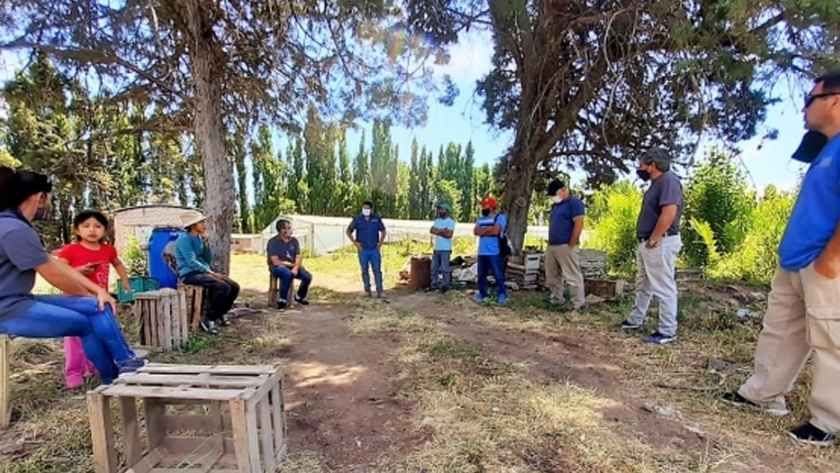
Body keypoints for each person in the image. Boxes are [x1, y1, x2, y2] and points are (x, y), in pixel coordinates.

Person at [721, 70, 840, 446]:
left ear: (835, 100)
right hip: (795, 259)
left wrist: (833, 256)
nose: (803, 109)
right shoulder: (826, 148)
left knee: (831, 340)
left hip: (824, 261)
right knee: (781, 331)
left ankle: (829, 422)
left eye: (810, 100)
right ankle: (763, 394)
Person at [0, 167, 145, 385]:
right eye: (50, 198)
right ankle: (111, 379)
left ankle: (126, 361)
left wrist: (97, 292)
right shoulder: (13, 229)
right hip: (6, 309)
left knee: (98, 304)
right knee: (84, 322)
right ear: (40, 197)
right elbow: (54, 277)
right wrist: (90, 296)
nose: (50, 205)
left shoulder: (13, 225)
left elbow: (57, 266)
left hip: (18, 300)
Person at [58, 210, 132, 389]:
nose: (92, 230)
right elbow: (58, 272)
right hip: (73, 300)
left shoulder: (108, 250)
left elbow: (118, 264)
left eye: (98, 226)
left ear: (105, 231)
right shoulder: (70, 250)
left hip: (100, 300)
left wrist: (125, 280)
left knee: (100, 334)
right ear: (77, 230)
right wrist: (79, 271)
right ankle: (74, 372)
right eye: (86, 226)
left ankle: (96, 366)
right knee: (74, 337)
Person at [616, 148, 683, 345]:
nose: (639, 168)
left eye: (641, 165)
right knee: (643, 285)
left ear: (652, 165)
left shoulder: (668, 181)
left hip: (659, 242)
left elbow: (669, 213)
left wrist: (654, 239)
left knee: (664, 287)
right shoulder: (656, 184)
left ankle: (667, 330)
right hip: (650, 243)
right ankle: (635, 320)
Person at [174, 211, 240, 334]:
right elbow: (191, 262)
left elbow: (208, 258)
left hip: (203, 271)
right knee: (222, 287)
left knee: (234, 286)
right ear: (193, 225)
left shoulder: (199, 238)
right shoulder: (184, 239)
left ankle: (220, 313)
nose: (204, 224)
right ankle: (208, 318)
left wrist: (206, 244)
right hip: (189, 274)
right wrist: (211, 273)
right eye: (201, 222)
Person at [544, 179, 586, 311]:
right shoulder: (556, 206)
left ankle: (578, 304)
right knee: (552, 276)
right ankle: (557, 299)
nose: (554, 198)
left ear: (563, 190)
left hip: (566, 245)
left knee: (572, 276)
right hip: (552, 245)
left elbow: (578, 224)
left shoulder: (575, 203)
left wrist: (572, 243)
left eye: (555, 194)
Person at [267, 219, 313, 310]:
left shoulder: (294, 241)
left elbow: (298, 256)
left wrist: (296, 267)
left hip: (293, 266)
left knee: (307, 277)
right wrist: (293, 265)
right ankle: (282, 301)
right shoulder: (273, 242)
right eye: (287, 228)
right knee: (287, 274)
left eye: (290, 228)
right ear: (281, 230)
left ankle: (299, 296)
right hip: (277, 267)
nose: (289, 230)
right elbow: (276, 261)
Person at [346, 201, 387, 297]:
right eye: (364, 208)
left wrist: (380, 242)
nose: (365, 210)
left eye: (367, 208)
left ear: (371, 209)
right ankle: (367, 290)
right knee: (364, 270)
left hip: (374, 249)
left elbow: (383, 230)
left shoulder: (376, 219)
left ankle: (380, 291)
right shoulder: (357, 219)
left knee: (377, 270)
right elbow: (348, 231)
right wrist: (355, 243)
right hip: (363, 249)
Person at [473, 197, 507, 304]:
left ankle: (501, 294)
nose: (483, 207)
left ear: (492, 207)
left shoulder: (499, 217)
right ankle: (483, 293)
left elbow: (496, 231)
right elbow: (476, 231)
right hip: (482, 252)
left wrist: (483, 231)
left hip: (494, 252)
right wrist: (489, 229)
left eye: (485, 205)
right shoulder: (480, 219)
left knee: (498, 274)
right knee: (481, 275)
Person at [428, 203, 456, 293]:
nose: (440, 211)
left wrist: (438, 231)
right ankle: (434, 284)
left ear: (447, 211)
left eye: (442, 209)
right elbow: (432, 230)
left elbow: (449, 235)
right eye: (439, 210)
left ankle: (445, 285)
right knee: (434, 268)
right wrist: (443, 230)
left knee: (445, 268)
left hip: (446, 249)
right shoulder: (437, 221)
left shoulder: (450, 222)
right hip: (437, 248)